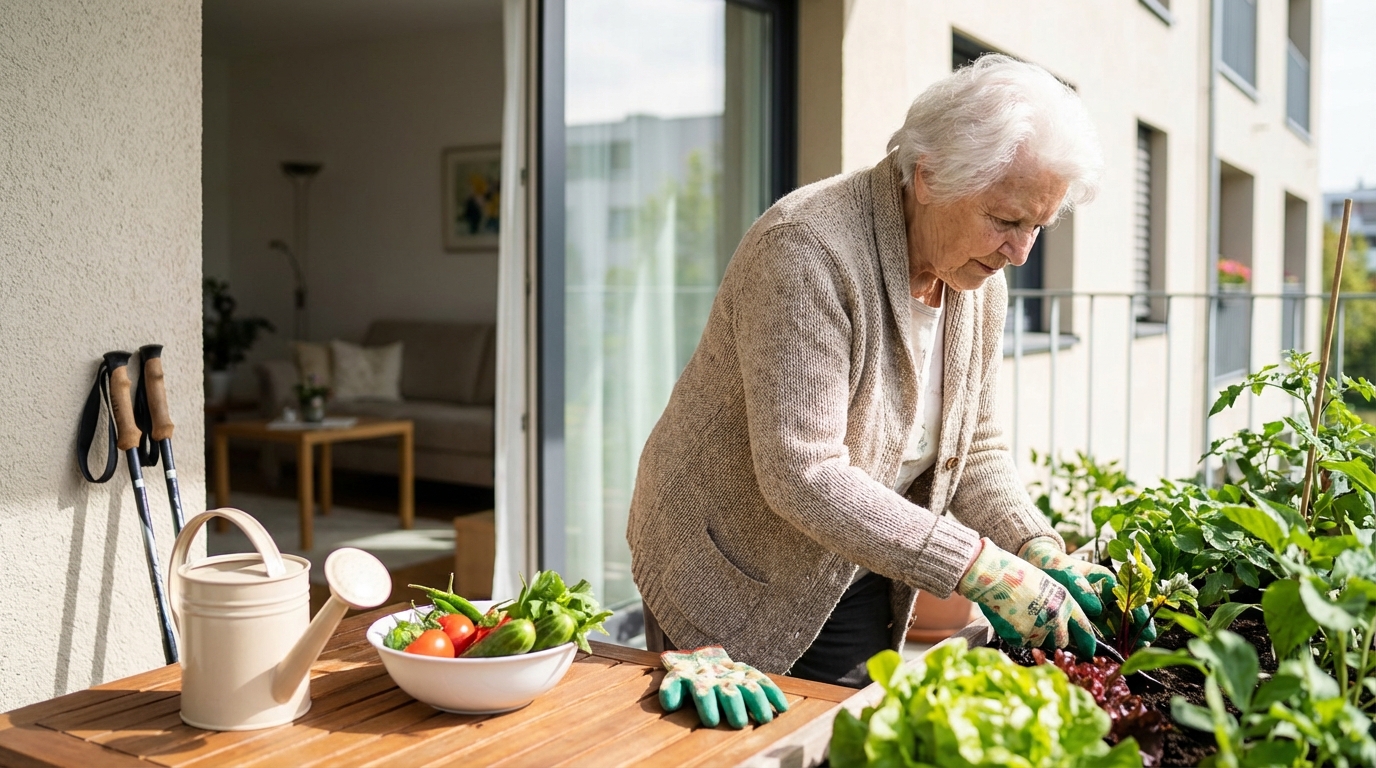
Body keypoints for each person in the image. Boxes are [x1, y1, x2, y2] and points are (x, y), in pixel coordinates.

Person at [627, 55, 1151, 689]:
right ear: (928, 177)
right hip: (727, 563)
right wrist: (980, 568)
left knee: (849, 721)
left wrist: (1032, 547)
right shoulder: (807, 250)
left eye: (1037, 226)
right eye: (1006, 220)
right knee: (744, 735)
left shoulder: (978, 282)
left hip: (854, 553)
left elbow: (975, 448)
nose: (1020, 254)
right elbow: (804, 473)